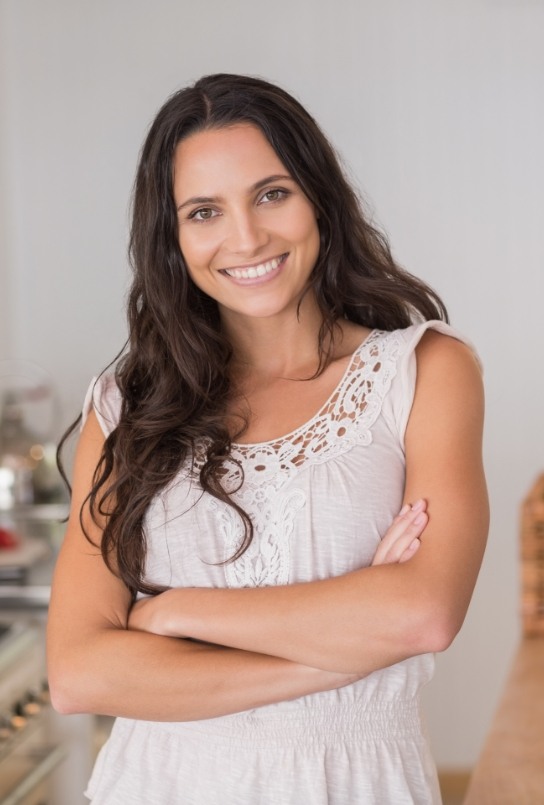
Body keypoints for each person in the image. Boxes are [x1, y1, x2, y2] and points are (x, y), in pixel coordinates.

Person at [47, 73, 488, 804]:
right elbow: (80, 672)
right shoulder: (128, 407)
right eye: (204, 211)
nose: (246, 237)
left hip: (356, 782)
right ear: (173, 235)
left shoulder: (424, 372)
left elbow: (423, 612)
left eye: (271, 193)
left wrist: (175, 611)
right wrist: (338, 657)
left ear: (319, 196)